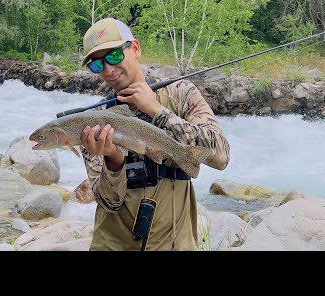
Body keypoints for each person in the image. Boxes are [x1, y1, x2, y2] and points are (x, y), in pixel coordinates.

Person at [79, 17, 230, 251]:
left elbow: (220, 155)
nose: (108, 69)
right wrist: (113, 160)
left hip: (174, 243)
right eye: (97, 65)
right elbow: (108, 201)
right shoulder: (95, 120)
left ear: (135, 48)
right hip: (113, 244)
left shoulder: (181, 93)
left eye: (114, 56)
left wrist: (157, 111)